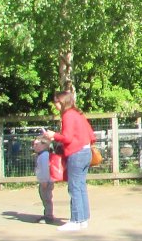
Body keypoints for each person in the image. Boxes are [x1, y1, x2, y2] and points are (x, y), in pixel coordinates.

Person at [43, 89, 95, 231]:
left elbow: (67, 137)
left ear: (62, 101)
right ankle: (83, 219)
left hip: (76, 153)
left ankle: (76, 220)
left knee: (74, 187)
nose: (55, 105)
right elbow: (92, 135)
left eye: (56, 102)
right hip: (86, 151)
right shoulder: (78, 114)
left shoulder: (68, 115)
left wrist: (54, 135)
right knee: (81, 186)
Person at [33, 136, 56, 224]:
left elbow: (45, 169)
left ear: (44, 145)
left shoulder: (44, 156)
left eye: (36, 144)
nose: (34, 146)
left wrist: (44, 181)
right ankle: (47, 214)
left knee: (47, 198)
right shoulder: (42, 155)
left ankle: (49, 216)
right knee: (45, 197)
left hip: (46, 181)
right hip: (44, 180)